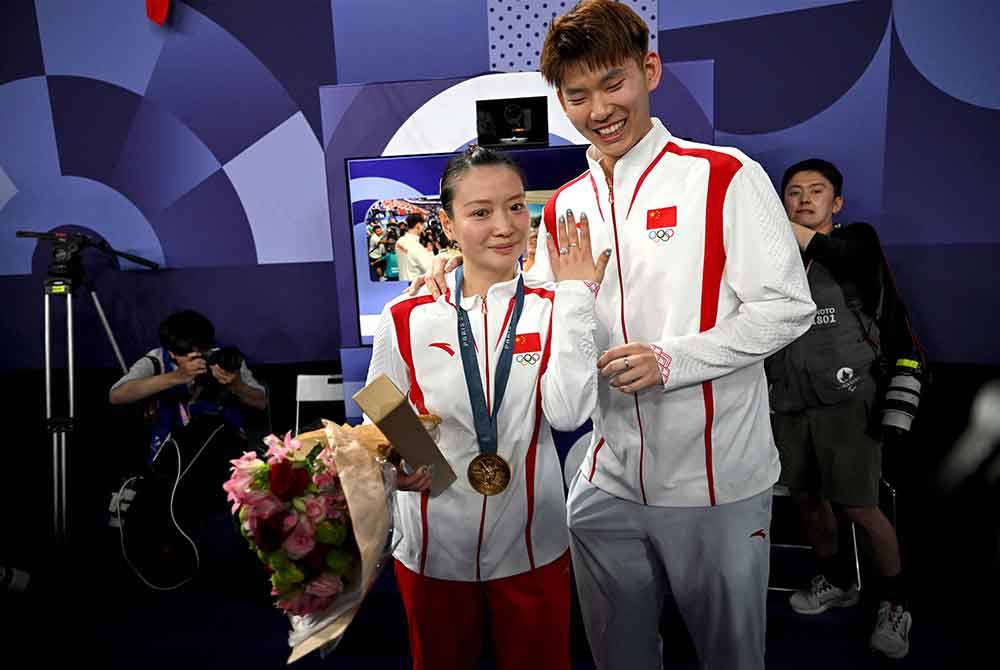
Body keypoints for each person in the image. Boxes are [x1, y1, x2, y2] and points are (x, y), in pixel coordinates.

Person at [412, 2, 815, 667]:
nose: (598, 107)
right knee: (617, 654)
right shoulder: (568, 201)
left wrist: (672, 359)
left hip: (714, 481)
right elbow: (535, 305)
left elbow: (787, 308)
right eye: (577, 94)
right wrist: (469, 266)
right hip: (605, 478)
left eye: (613, 83)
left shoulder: (722, 176)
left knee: (730, 655)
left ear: (648, 70)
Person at [366, 145, 609, 670]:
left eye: (516, 206)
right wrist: (409, 461)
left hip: (532, 542)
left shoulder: (554, 307)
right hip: (433, 542)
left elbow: (568, 413)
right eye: (480, 212)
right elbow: (383, 404)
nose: (505, 226)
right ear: (449, 226)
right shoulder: (407, 313)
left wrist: (574, 297)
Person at [767, 158, 917, 659]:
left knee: (859, 504)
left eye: (816, 191)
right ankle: (837, 581)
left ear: (838, 203)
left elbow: (840, 256)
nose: (804, 199)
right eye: (792, 192)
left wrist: (769, 219)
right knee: (807, 499)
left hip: (849, 400)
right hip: (789, 400)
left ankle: (895, 604)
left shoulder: (858, 242)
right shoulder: (771, 258)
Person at [396, 212, 435, 281]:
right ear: (418, 225)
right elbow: (430, 269)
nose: (424, 228)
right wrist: (430, 253)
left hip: (402, 281)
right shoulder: (416, 247)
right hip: (415, 285)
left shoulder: (399, 241)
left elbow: (409, 255)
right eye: (423, 225)